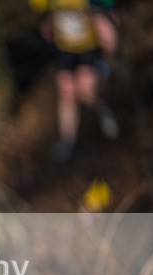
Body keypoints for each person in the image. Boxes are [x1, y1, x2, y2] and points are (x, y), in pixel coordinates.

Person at [31, 0, 120, 162]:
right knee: (66, 92)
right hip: (65, 48)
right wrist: (47, 22)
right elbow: (45, 10)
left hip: (88, 47)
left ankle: (103, 109)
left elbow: (105, 8)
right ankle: (67, 142)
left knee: (86, 92)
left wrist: (106, 24)